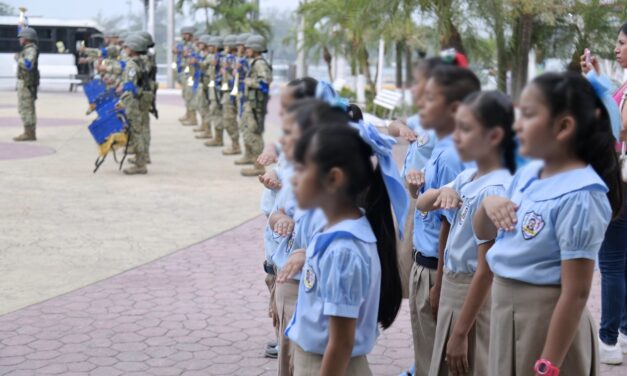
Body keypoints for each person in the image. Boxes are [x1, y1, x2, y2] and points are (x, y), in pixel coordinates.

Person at [473, 72, 623, 375]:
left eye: (527, 115)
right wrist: (486, 205)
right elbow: (484, 234)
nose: (516, 126)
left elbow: (576, 292)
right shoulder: (528, 175)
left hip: (546, 325)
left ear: (564, 126)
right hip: (506, 313)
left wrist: (549, 364)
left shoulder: (582, 195)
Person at [285, 119, 407, 375]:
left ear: (333, 178)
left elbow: (341, 343)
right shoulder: (334, 235)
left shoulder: (344, 249)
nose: (293, 180)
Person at [415, 91, 515, 375]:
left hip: (473, 298)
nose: (456, 136)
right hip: (454, 290)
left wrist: (459, 333)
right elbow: (422, 202)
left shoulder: (495, 188)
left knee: (470, 365)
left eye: (466, 128)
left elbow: (486, 270)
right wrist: (441, 190)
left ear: (494, 136)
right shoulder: (468, 177)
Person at [407, 66, 480, 376]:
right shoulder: (441, 146)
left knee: (434, 363)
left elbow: (450, 224)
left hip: (436, 270)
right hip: (428, 265)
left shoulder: (452, 155)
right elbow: (431, 203)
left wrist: (438, 286)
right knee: (428, 358)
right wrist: (416, 189)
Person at [580, 21, 627, 365]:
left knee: (611, 264)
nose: (617, 49)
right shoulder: (623, 84)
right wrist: (599, 79)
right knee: (621, 263)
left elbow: (620, 127)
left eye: (622, 43)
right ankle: (622, 334)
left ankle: (608, 340)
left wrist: (594, 86)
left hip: (620, 181)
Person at [116, 35, 151, 175]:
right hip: (141, 98)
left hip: (133, 102)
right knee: (139, 129)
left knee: (136, 131)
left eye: (127, 47)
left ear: (134, 48)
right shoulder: (142, 62)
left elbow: (130, 87)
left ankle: (140, 164)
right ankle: (140, 159)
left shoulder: (131, 65)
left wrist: (122, 102)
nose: (125, 49)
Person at [240, 34, 273, 177]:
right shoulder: (254, 62)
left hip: (256, 105)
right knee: (249, 131)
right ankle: (254, 160)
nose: (246, 50)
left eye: (249, 48)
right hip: (251, 103)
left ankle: (259, 166)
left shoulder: (260, 64)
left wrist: (250, 82)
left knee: (255, 134)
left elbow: (265, 81)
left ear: (256, 49)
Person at [13, 27, 39, 142]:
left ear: (27, 39)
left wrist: (18, 58)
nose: (20, 40)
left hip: (26, 83)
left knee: (25, 108)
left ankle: (29, 133)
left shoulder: (30, 50)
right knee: (26, 107)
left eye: (21, 37)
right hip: (26, 82)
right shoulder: (28, 49)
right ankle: (29, 132)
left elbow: (28, 65)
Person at [220, 35, 242, 155]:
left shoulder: (240, 59)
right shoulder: (227, 58)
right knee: (228, 119)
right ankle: (235, 144)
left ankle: (248, 152)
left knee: (245, 123)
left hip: (240, 92)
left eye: (227, 45)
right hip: (228, 91)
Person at [204, 36, 226, 147]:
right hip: (214, 89)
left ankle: (219, 138)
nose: (209, 48)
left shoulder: (221, 58)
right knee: (214, 111)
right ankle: (217, 137)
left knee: (216, 112)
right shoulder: (214, 57)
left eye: (211, 46)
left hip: (219, 90)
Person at [174, 27, 196, 125]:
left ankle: (193, 118)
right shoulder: (182, 44)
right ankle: (188, 114)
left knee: (189, 94)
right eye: (183, 34)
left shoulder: (194, 44)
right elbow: (175, 50)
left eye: (186, 34)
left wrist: (181, 52)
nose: (184, 36)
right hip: (182, 71)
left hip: (190, 72)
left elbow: (190, 54)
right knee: (185, 94)